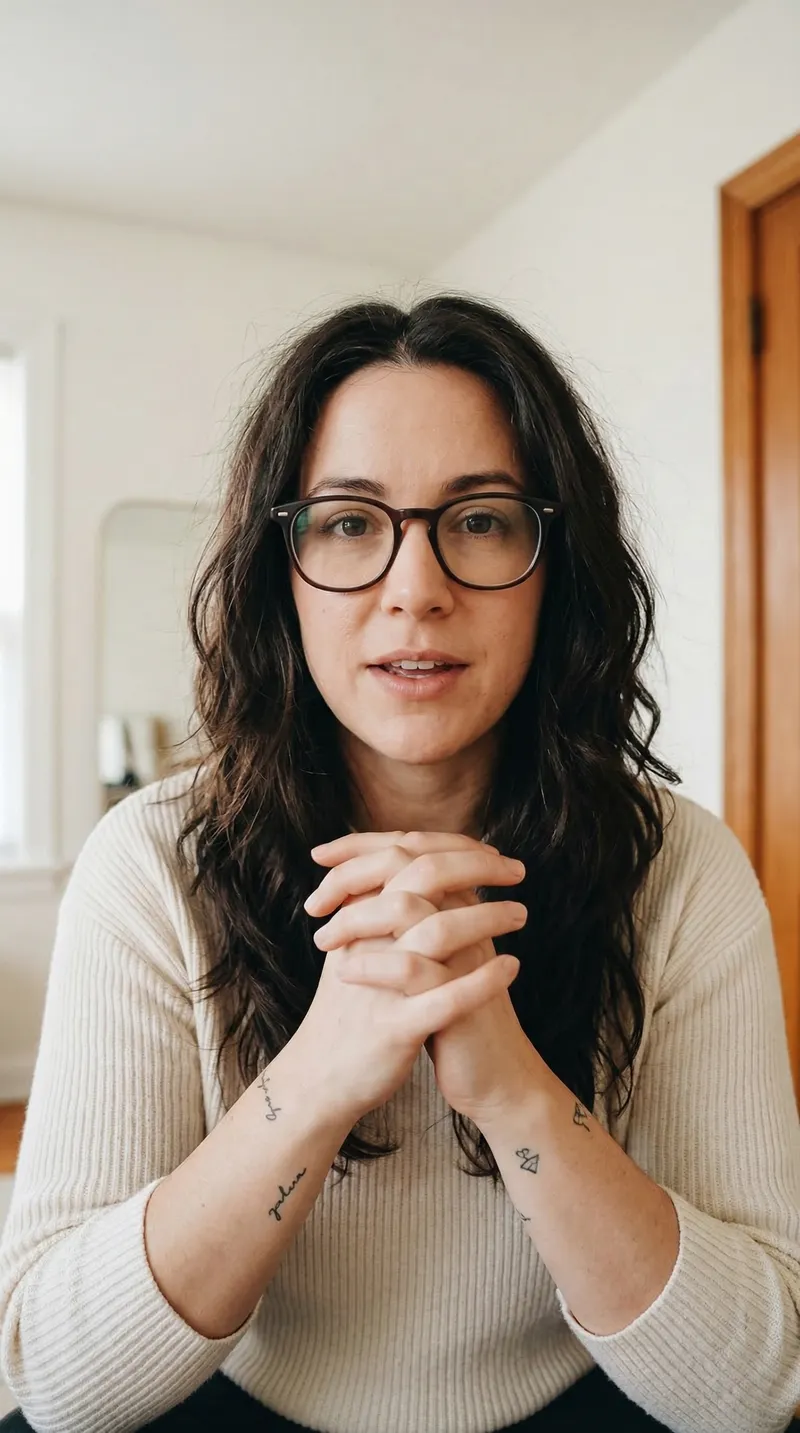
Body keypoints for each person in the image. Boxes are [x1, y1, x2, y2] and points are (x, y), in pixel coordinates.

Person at [0, 294, 798, 1433]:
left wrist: (513, 1087)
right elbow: (60, 1379)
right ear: (278, 565)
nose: (414, 586)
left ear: (550, 561)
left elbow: (761, 1381)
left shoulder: (681, 870)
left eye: (477, 519)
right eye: (346, 522)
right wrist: (320, 1072)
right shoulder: (150, 864)